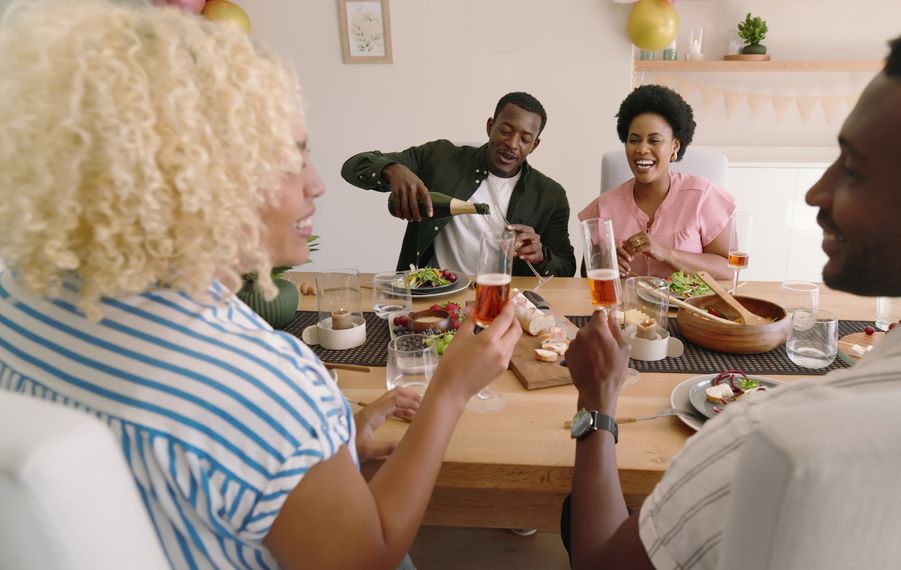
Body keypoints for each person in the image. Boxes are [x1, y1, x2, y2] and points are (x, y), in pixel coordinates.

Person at [0, 2, 521, 568]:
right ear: (200, 178)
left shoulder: (16, 304)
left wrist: (324, 445)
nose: (316, 184)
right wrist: (449, 392)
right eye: (290, 161)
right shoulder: (259, 384)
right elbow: (367, 559)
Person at [562, 3, 901, 568]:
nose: (816, 192)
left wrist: (597, 405)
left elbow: (601, 561)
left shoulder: (773, 441)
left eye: (855, 169)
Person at [341, 92, 577, 278]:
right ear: (490, 127)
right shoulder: (439, 157)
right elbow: (352, 167)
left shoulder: (550, 195)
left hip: (504, 303)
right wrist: (391, 169)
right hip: (432, 295)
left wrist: (541, 256)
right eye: (505, 131)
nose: (513, 144)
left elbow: (567, 267)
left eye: (525, 139)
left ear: (534, 145)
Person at [578, 84, 736, 279]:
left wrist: (666, 253)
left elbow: (729, 270)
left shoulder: (703, 197)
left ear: (674, 146)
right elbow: (586, 273)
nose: (642, 149)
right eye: (634, 140)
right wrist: (606, 264)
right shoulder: (603, 206)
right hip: (627, 300)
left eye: (654, 140)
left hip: (688, 300)